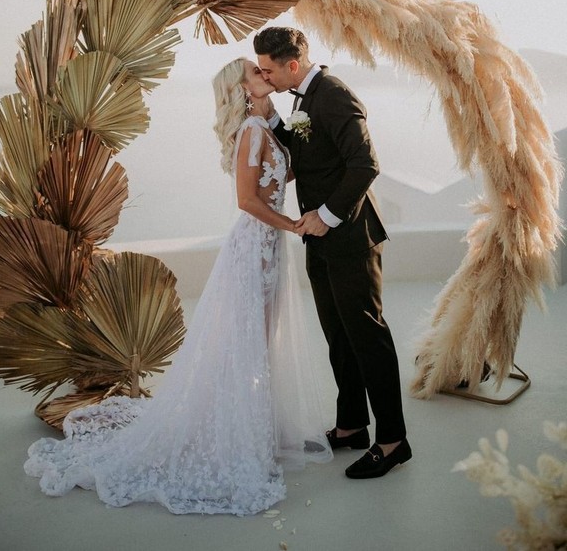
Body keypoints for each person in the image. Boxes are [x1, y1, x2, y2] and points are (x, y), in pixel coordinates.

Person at [24, 57, 332, 515]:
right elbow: (247, 200)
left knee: (262, 341)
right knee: (244, 342)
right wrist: (291, 224)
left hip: (270, 249)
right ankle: (237, 433)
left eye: (264, 71)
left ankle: (255, 427)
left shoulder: (264, 127)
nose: (265, 76)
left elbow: (278, 177)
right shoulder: (249, 131)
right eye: (255, 73)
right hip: (254, 247)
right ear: (242, 89)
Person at [255, 26, 411, 479]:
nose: (263, 77)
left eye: (268, 70)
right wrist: (269, 117)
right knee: (338, 336)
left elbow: (366, 164)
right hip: (320, 239)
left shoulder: (335, 95)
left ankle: (393, 440)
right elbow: (308, 154)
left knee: (368, 338)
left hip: (350, 237)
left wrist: (326, 214)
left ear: (292, 65)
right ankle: (351, 427)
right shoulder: (302, 98)